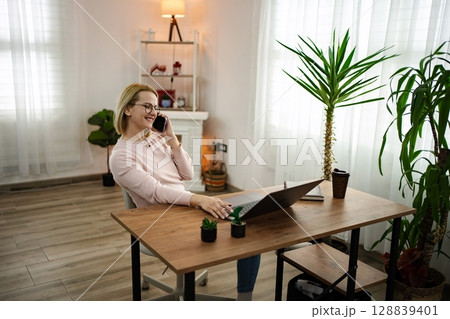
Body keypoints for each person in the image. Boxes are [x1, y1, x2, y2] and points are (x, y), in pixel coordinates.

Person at [110, 83, 260, 301]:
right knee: (239, 232)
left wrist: (172, 139)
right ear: (128, 109)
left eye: (155, 107)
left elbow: (188, 174)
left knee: (247, 226)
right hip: (161, 220)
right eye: (147, 106)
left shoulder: (155, 138)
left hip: (187, 207)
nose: (153, 112)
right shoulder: (120, 156)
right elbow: (156, 193)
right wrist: (200, 200)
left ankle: (244, 300)